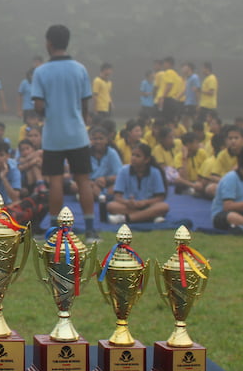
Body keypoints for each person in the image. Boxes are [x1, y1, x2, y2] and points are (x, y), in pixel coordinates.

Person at [30, 25, 96, 242]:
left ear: (49, 43)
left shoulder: (41, 71)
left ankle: (54, 230)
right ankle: (90, 230)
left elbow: (38, 105)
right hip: (77, 133)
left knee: (56, 181)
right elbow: (86, 103)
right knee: (83, 180)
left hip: (53, 135)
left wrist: (51, 112)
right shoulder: (80, 69)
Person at [107, 143, 170, 225]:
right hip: (129, 206)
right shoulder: (123, 171)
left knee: (164, 206)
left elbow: (160, 197)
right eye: (133, 155)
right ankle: (150, 216)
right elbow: (117, 197)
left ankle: (126, 218)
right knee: (111, 206)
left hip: (148, 205)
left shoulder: (155, 172)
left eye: (138, 156)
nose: (133, 158)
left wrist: (145, 202)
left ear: (146, 160)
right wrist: (127, 202)